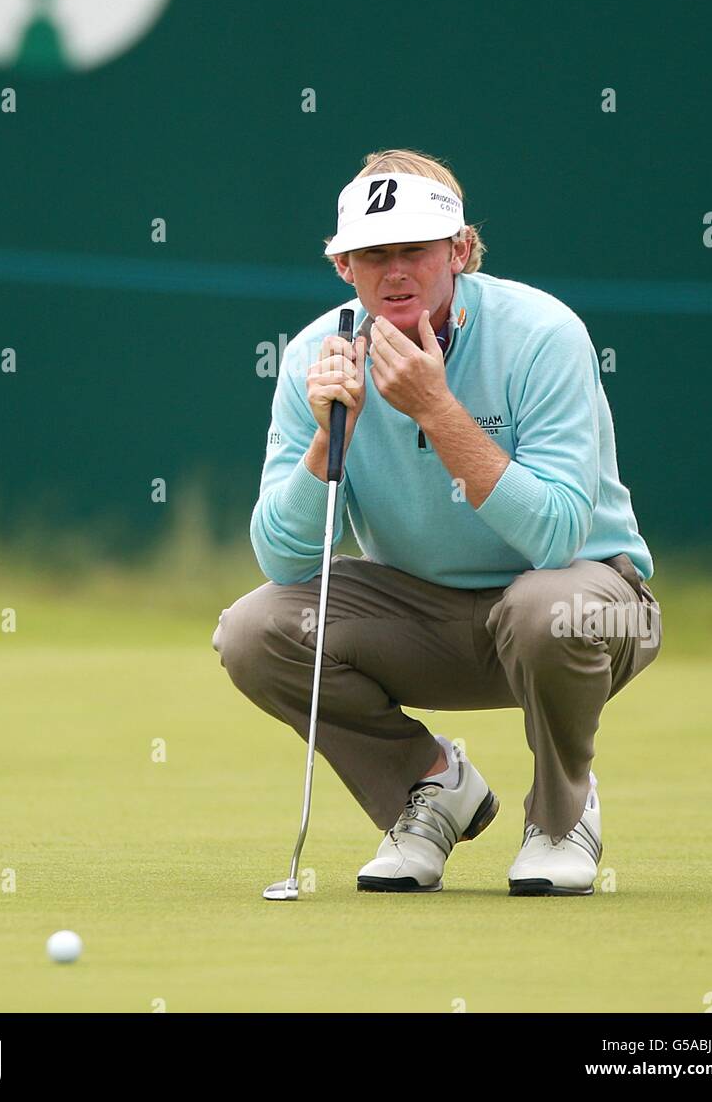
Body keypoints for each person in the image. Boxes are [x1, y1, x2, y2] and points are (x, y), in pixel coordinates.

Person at [212, 148, 662, 895]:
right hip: (422, 613)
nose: (395, 272)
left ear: (460, 252)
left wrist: (436, 409)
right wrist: (329, 439)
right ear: (342, 267)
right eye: (372, 254)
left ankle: (562, 813)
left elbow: (554, 537)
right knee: (254, 631)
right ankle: (430, 787)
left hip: (588, 605)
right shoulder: (313, 361)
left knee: (545, 607)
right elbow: (283, 563)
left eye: (415, 250)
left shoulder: (542, 334)